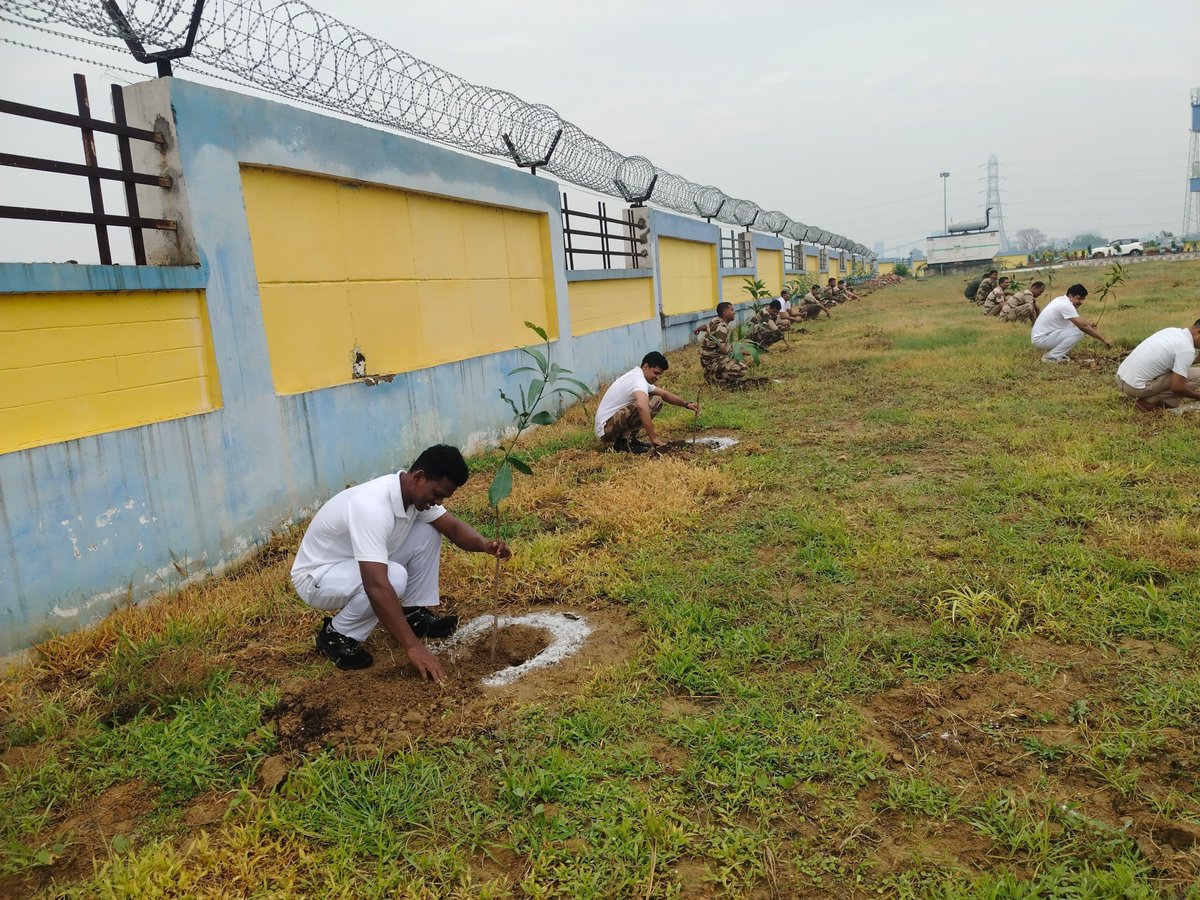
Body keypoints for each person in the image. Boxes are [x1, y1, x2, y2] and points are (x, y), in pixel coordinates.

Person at [290, 445, 511, 678]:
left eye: (443, 497)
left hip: (353, 561)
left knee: (428, 531)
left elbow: (454, 529)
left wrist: (485, 545)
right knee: (392, 578)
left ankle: (412, 613)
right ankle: (337, 635)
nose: (438, 501)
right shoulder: (372, 507)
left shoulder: (412, 494)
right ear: (419, 477)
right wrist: (413, 647)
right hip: (318, 575)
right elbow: (376, 585)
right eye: (437, 494)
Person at [593, 351, 699, 452]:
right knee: (651, 402)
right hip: (606, 431)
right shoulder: (638, 380)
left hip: (609, 426)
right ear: (646, 366)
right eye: (656, 373)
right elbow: (641, 406)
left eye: (660, 375)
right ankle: (624, 443)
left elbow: (664, 394)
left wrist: (686, 404)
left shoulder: (638, 377)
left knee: (657, 398)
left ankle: (628, 440)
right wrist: (653, 439)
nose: (657, 377)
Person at [1116, 320, 1200, 411]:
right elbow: (1177, 387)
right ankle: (1150, 402)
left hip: (1121, 377)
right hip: (1135, 387)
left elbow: (1178, 363)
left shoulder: (1172, 331)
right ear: (1198, 332)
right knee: (1197, 376)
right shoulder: (1187, 349)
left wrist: (1197, 360)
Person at [1030, 283, 1112, 362]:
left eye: (1083, 299)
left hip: (1044, 337)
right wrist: (1103, 339)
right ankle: (1051, 357)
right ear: (1070, 296)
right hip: (1041, 339)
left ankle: (1057, 355)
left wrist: (1088, 324)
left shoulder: (1062, 300)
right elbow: (1083, 326)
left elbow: (1077, 320)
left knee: (1075, 327)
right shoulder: (1065, 305)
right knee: (1079, 330)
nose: (1081, 302)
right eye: (1079, 298)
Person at [693, 301, 748, 388]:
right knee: (742, 369)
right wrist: (740, 351)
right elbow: (723, 350)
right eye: (732, 310)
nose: (734, 312)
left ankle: (715, 375)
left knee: (735, 361)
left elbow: (705, 326)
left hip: (706, 360)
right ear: (725, 313)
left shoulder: (715, 320)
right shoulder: (722, 327)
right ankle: (716, 379)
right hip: (712, 361)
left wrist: (697, 329)